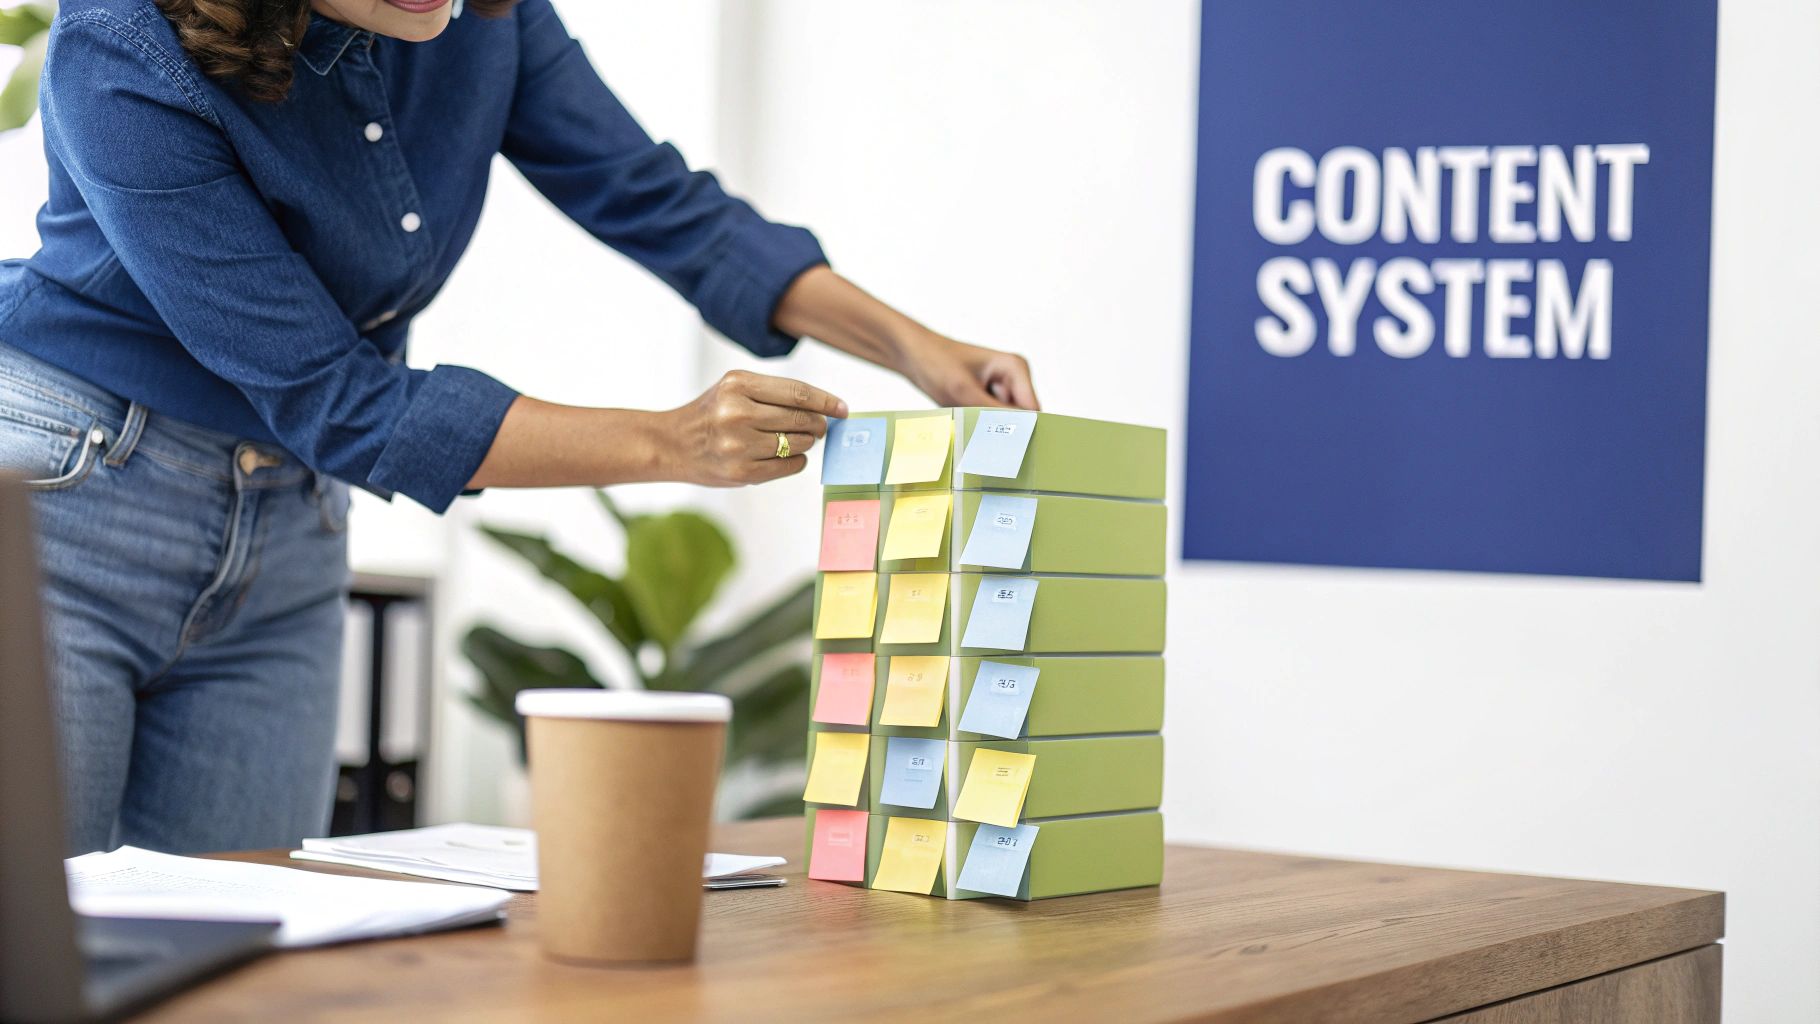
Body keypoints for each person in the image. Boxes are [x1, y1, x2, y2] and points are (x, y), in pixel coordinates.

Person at [0, 0, 1038, 856]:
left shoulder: (479, 16)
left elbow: (659, 201)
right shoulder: (122, 46)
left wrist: (915, 347)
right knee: (36, 948)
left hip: (291, 519)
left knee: (229, 965)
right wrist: (672, 442)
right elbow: (339, 398)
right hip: (74, 508)